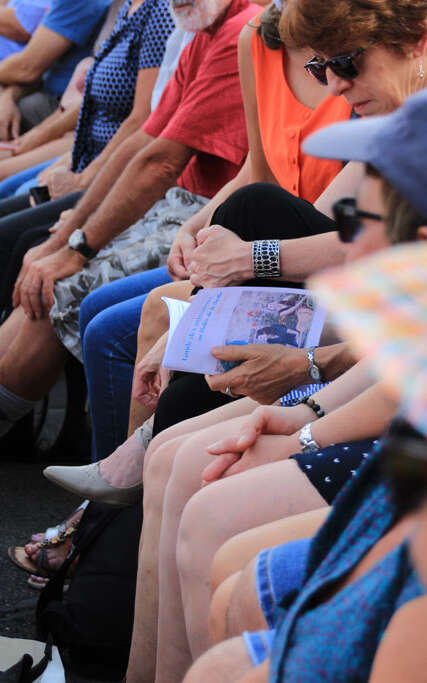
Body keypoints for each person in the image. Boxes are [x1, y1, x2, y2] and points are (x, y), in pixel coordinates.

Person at [0, 0, 260, 446]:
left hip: (203, 210)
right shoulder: (203, 29)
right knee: (36, 254)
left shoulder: (242, 30)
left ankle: (109, 489)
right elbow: (144, 140)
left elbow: (160, 161)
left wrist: (75, 248)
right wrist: (66, 239)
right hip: (179, 202)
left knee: (69, 292)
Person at [0, 0, 175, 316]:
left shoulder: (163, 11)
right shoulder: (127, 8)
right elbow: (90, 97)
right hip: (83, 147)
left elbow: (143, 123)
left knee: (17, 233)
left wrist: (82, 180)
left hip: (107, 162)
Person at [0, 0, 112, 139]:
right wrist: (7, 95)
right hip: (36, 91)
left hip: (59, 103)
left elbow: (27, 70)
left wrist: (38, 136)